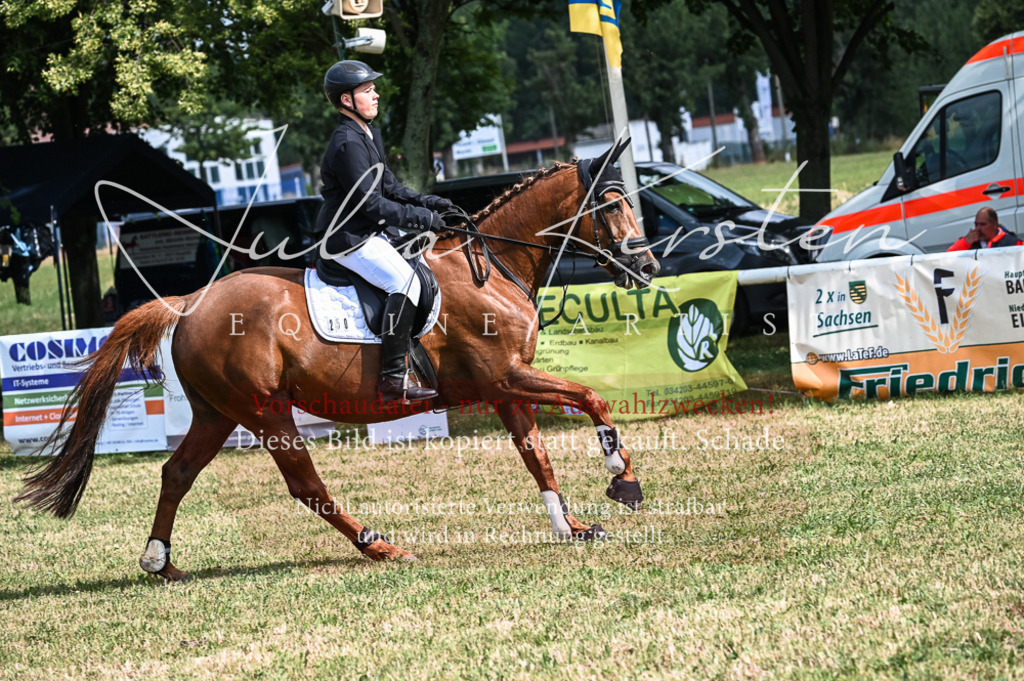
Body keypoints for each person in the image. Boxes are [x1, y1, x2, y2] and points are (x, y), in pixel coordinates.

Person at [316, 60, 454, 403]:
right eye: (368, 90)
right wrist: (421, 218)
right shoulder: (347, 143)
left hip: (368, 233)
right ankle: (392, 379)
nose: (376, 94)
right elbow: (371, 204)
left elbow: (390, 186)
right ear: (347, 100)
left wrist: (429, 202)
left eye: (374, 89)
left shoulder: (366, 135)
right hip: (348, 239)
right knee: (404, 283)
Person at [947, 207, 1022, 251]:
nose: (978, 228)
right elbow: (947, 259)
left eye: (983, 224)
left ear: (994, 224)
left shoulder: (1012, 242)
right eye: (976, 224)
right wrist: (965, 242)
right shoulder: (970, 242)